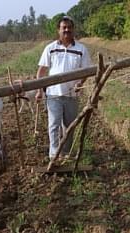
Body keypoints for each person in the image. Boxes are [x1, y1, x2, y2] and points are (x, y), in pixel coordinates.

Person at [35, 16, 93, 160]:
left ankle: (66, 153)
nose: (67, 30)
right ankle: (54, 154)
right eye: (64, 28)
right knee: (54, 125)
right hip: (53, 94)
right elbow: (42, 71)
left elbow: (87, 70)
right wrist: (39, 90)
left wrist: (80, 83)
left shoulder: (81, 49)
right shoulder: (51, 48)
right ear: (58, 30)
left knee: (69, 125)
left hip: (71, 94)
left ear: (73, 30)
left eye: (69, 27)